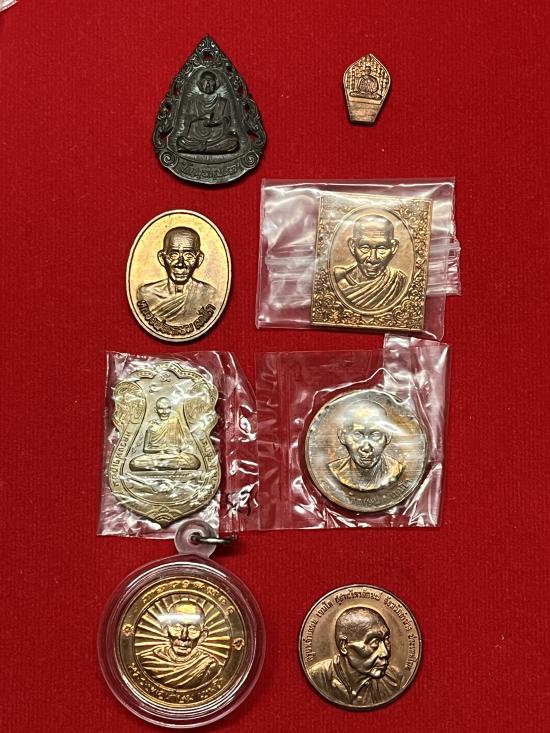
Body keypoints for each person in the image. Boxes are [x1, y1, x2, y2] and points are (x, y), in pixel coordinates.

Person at [309, 607, 401, 706]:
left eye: (386, 639)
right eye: (374, 642)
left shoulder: (395, 680)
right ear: (343, 646)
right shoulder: (317, 677)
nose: (385, 653)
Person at [136, 226, 217, 325]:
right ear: (162, 258)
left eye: (189, 256)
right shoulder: (146, 293)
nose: (180, 264)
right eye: (173, 255)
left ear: (199, 259)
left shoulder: (209, 293)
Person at [139, 600, 220, 689]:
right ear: (166, 630)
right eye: (177, 627)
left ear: (203, 636)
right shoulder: (147, 661)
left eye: (193, 629)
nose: (183, 636)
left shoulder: (208, 665)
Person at [334, 214, 407, 312]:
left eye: (382, 248)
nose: (373, 259)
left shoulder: (399, 281)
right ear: (352, 246)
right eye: (365, 248)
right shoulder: (339, 278)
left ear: (393, 247)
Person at [329, 401, 403, 491]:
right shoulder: (332, 471)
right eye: (357, 435)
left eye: (375, 435)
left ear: (388, 436)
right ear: (342, 436)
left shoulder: (398, 470)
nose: (366, 448)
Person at [176, 70, 240, 154]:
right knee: (180, 141)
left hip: (217, 136)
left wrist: (217, 121)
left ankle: (202, 148)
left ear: (216, 83)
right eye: (204, 81)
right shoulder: (193, 101)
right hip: (196, 136)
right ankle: (211, 148)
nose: (208, 84)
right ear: (199, 84)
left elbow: (227, 122)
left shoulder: (222, 102)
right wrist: (202, 118)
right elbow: (187, 120)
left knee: (233, 141)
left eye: (211, 81)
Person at [129, 397, 200, 471]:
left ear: (171, 409)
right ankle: (168, 465)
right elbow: (146, 449)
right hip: (154, 456)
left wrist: (174, 450)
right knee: (134, 463)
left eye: (167, 408)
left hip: (172, 456)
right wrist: (163, 450)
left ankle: (161, 465)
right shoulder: (151, 425)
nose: (164, 412)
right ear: (155, 410)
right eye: (161, 409)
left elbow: (181, 447)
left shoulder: (174, 422)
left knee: (194, 461)